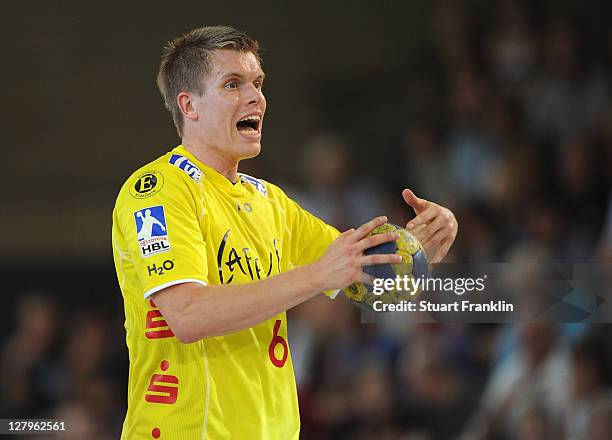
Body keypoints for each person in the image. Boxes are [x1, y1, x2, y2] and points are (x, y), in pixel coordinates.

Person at [111, 25, 457, 439]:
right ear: (189, 105)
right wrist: (315, 276)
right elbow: (187, 315)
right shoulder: (157, 191)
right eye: (232, 84)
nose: (256, 97)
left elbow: (370, 285)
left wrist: (424, 248)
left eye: (257, 83)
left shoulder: (270, 201)